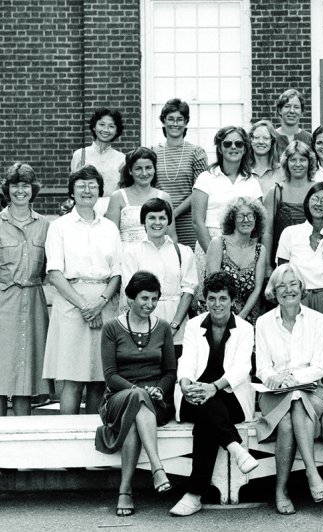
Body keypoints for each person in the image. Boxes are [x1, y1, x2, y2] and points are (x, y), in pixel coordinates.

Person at [169, 272, 259, 517]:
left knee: (207, 417)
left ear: (233, 301)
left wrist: (214, 386)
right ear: (204, 300)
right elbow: (186, 359)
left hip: (229, 396)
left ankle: (194, 494)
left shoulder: (245, 328)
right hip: (195, 395)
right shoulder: (195, 324)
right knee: (207, 409)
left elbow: (243, 368)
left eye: (222, 298)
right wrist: (185, 382)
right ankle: (236, 448)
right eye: (211, 299)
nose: (217, 304)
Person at [96, 271, 176, 517]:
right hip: (119, 397)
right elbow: (110, 376)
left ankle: (125, 491)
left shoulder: (162, 328)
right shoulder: (111, 328)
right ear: (130, 298)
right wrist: (138, 390)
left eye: (154, 299)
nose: (149, 305)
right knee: (136, 399)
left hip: (156, 401)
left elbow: (170, 371)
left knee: (133, 419)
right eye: (144, 298)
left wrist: (159, 390)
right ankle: (157, 467)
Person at [43, 166, 121, 415]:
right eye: (81, 185)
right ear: (72, 192)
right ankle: (67, 441)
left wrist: (100, 302)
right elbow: (54, 273)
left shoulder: (109, 227)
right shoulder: (59, 227)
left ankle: (93, 440)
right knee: (72, 379)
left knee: (99, 379)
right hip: (71, 305)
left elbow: (117, 272)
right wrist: (85, 305)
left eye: (92, 186)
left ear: (100, 191)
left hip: (104, 303)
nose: (87, 190)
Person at [255, 263, 323, 515]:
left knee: (295, 405)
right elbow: (262, 368)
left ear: (301, 287)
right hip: (274, 393)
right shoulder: (264, 322)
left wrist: (292, 378)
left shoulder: (318, 320)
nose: (288, 290)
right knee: (290, 407)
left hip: (312, 390)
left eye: (293, 284)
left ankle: (282, 489)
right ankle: (312, 474)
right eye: (281, 286)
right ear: (273, 292)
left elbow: (319, 368)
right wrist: (275, 379)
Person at [277, 183, 323, 391]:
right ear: (307, 202)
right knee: (298, 347)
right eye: (315, 198)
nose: (319, 203)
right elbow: (282, 272)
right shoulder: (290, 234)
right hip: (298, 299)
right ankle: (297, 389)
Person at [0, 163, 50, 416]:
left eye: (26, 185)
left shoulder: (45, 225)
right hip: (3, 303)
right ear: (7, 189)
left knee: (26, 376)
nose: (21, 191)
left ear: (33, 189)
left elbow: (47, 268)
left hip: (32, 303)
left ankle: (23, 433)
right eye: (15, 185)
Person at [192, 126, 262, 297]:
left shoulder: (251, 181)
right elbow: (197, 221)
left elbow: (258, 223)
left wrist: (242, 255)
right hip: (208, 243)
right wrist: (215, 255)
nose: (233, 147)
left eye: (238, 144)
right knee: (212, 298)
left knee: (239, 299)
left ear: (245, 148)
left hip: (243, 249)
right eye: (227, 143)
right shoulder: (206, 178)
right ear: (220, 148)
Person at [122, 198, 197, 350]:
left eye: (162, 218)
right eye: (152, 218)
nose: (157, 222)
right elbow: (132, 294)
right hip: (143, 329)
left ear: (168, 221)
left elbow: (188, 291)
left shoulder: (183, 252)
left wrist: (174, 326)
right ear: (144, 221)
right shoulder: (132, 252)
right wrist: (149, 328)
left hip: (179, 330)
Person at [153, 98, 209, 249]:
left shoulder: (196, 152)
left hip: (189, 223)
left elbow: (200, 192)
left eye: (180, 119)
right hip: (160, 221)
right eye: (170, 119)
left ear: (186, 122)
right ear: (163, 121)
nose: (175, 124)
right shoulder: (153, 152)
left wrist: (173, 213)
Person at [206, 196, 267, 325]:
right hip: (218, 313)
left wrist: (241, 318)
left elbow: (258, 288)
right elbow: (213, 286)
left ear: (256, 219)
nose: (246, 220)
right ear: (232, 219)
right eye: (241, 216)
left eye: (250, 216)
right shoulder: (218, 243)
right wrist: (226, 319)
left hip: (246, 317)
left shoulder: (260, 250)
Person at [106, 147, 176, 249]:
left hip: (157, 255)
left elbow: (171, 236)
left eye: (148, 167)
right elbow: (110, 237)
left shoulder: (164, 197)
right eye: (138, 168)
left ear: (154, 169)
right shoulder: (117, 197)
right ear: (130, 171)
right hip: (126, 258)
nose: (144, 173)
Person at [263, 141, 316, 270]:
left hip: (313, 260)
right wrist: (267, 266)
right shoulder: (275, 192)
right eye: (293, 160)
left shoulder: (318, 190)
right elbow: (267, 232)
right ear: (286, 162)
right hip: (282, 261)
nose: (298, 164)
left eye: (302, 160)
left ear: (310, 162)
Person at [70, 108, 126, 214]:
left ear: (117, 131)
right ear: (94, 127)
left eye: (111, 126)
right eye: (102, 124)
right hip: (85, 208)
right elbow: (73, 187)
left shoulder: (122, 158)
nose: (106, 130)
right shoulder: (80, 154)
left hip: (112, 210)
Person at [249, 119, 284, 197]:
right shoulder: (243, 171)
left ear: (272, 141)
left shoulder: (282, 172)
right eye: (257, 137)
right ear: (251, 140)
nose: (261, 142)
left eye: (266, 138)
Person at [275, 89, 313, 154]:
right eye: (287, 106)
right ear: (279, 110)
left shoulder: (309, 139)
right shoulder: (271, 137)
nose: (292, 111)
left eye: (296, 107)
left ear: (301, 112)